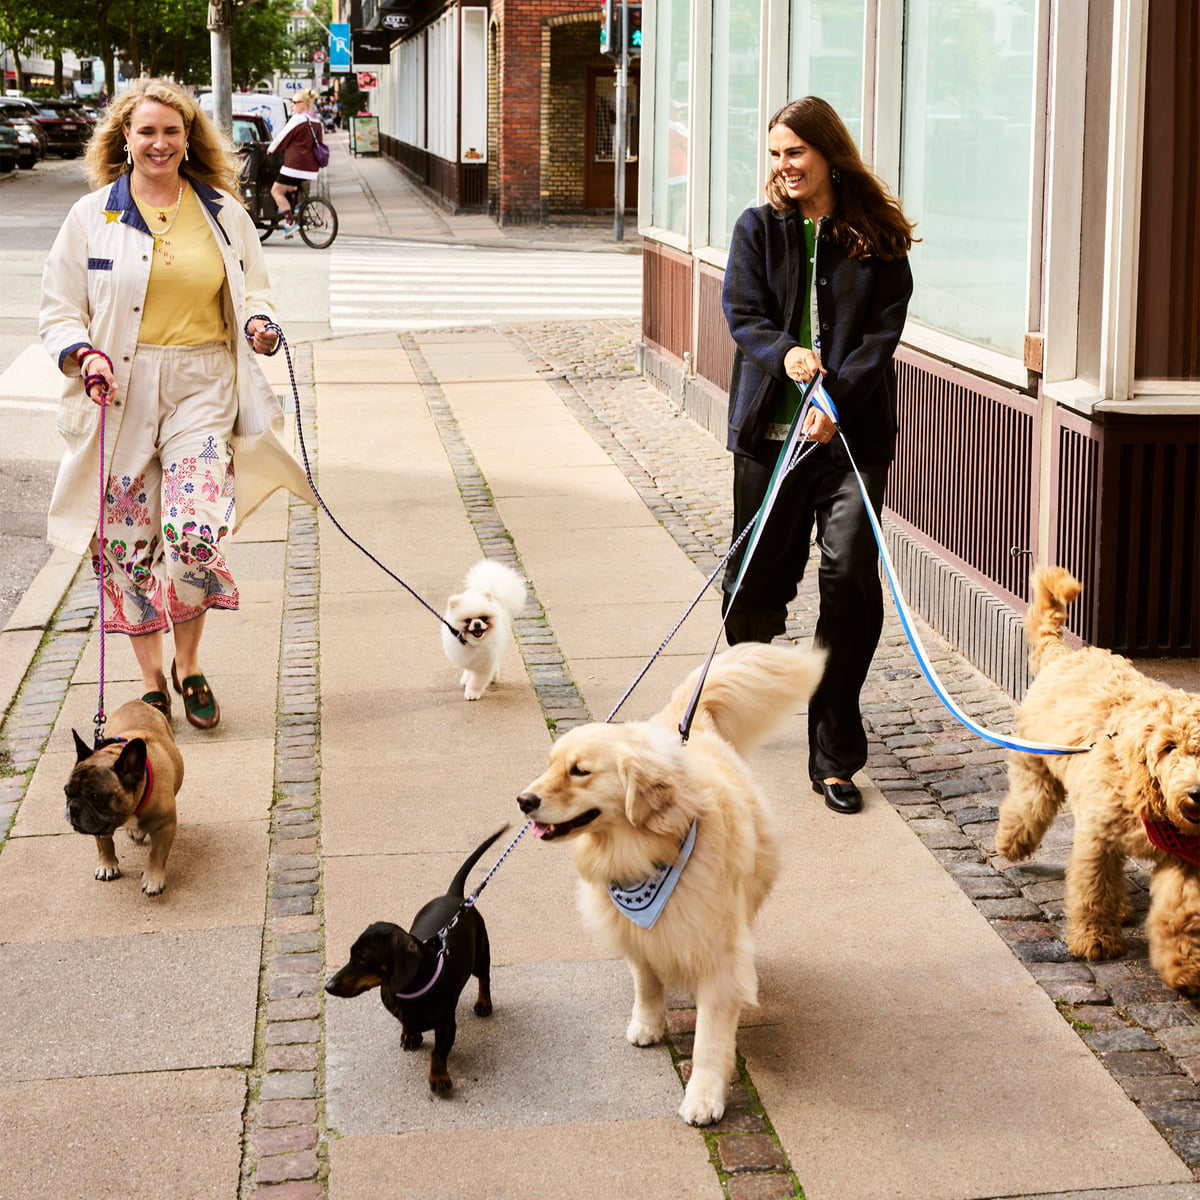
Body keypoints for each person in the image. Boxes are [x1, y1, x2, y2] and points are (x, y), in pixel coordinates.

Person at [40, 78, 316, 730]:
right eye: (147, 131)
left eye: (171, 130)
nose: (159, 142)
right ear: (126, 139)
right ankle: (150, 678)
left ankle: (190, 665)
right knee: (128, 549)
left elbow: (258, 292)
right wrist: (85, 355)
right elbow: (57, 311)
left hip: (202, 385)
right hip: (121, 393)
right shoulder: (91, 216)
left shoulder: (223, 212)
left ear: (188, 138)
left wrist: (260, 324)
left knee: (193, 535)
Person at [720, 96, 916, 814]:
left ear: (828, 153)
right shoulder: (757, 228)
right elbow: (743, 314)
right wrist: (789, 356)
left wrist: (838, 402)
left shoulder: (878, 238)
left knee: (850, 582)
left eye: (795, 152)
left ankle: (834, 751)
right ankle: (744, 693)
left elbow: (879, 339)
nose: (783, 166)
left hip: (851, 445)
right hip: (772, 441)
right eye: (775, 153)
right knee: (753, 592)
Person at [268, 89, 324, 236]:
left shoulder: (298, 119)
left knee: (276, 190)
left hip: (295, 165)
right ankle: (297, 207)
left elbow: (282, 137)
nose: (292, 105)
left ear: (304, 104)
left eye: (294, 102)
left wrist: (270, 151)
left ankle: (290, 222)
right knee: (291, 188)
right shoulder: (316, 121)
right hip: (311, 166)